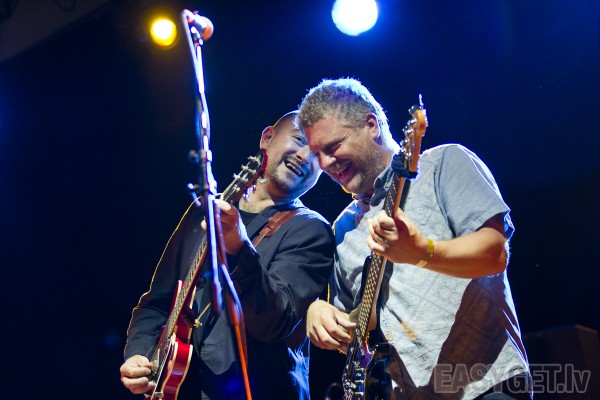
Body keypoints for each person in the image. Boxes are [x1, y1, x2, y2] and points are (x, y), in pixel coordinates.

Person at [297, 78, 532, 399]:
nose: (325, 164)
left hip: (485, 384)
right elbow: (357, 330)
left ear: (371, 125)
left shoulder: (445, 163)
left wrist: (422, 251)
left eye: (333, 146)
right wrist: (320, 313)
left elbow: (494, 254)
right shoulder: (343, 228)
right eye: (317, 154)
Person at [120, 111, 335, 399]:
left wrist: (240, 249)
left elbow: (275, 321)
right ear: (267, 138)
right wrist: (139, 354)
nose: (304, 156)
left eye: (318, 154)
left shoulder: (312, 231)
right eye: (299, 140)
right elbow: (157, 302)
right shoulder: (203, 211)